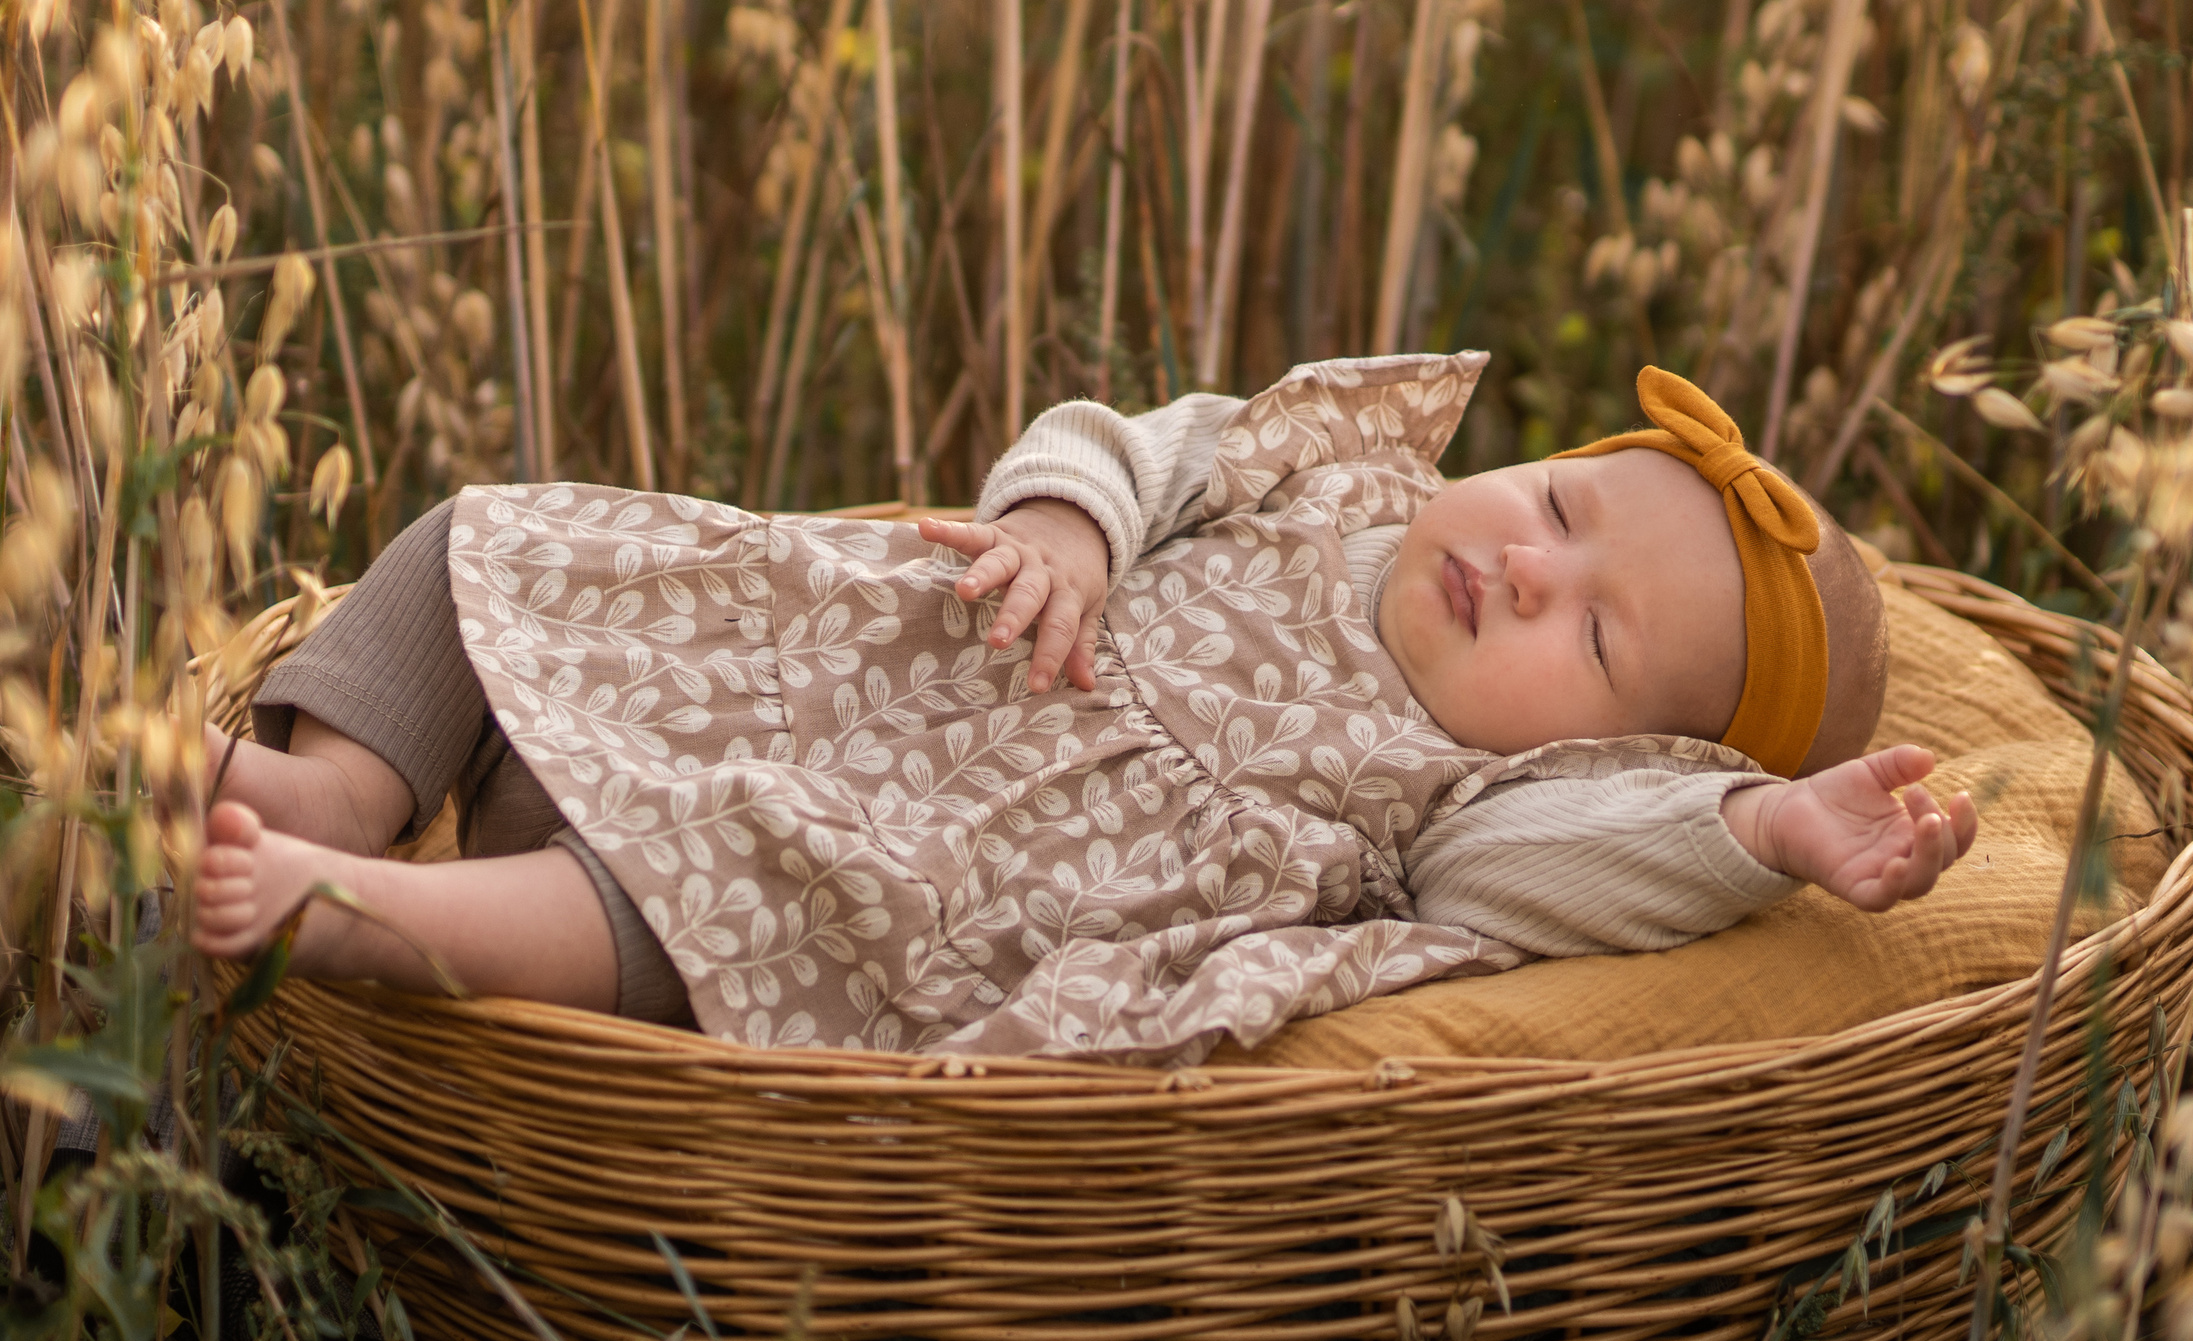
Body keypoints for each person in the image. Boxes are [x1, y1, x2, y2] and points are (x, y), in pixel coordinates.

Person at [189, 354, 1976, 1064]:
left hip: (910, 854)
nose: (1525, 570)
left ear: (1606, 747)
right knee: (507, 538)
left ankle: (365, 915)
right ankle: (338, 791)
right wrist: (1068, 528)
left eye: (1589, 638)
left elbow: (1587, 864)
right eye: (1562, 509)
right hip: (827, 663)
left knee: (750, 880)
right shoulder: (1337, 480)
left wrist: (1756, 830)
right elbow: (1132, 440)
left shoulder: (1473, 797)